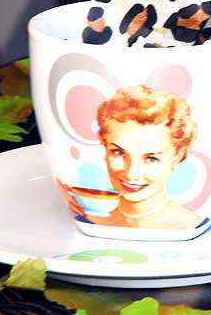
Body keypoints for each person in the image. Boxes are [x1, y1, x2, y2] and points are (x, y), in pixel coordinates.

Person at [60, 84, 202, 230]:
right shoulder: (92, 219)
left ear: (177, 156)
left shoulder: (187, 226)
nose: (131, 174)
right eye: (119, 153)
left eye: (151, 159)